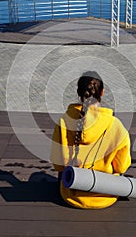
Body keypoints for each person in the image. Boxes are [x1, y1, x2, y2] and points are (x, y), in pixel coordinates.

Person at [50, 71, 131, 209]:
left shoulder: (64, 122)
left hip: (72, 194)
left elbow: (58, 165)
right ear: (102, 92)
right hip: (106, 194)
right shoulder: (115, 125)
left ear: (78, 92)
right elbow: (121, 166)